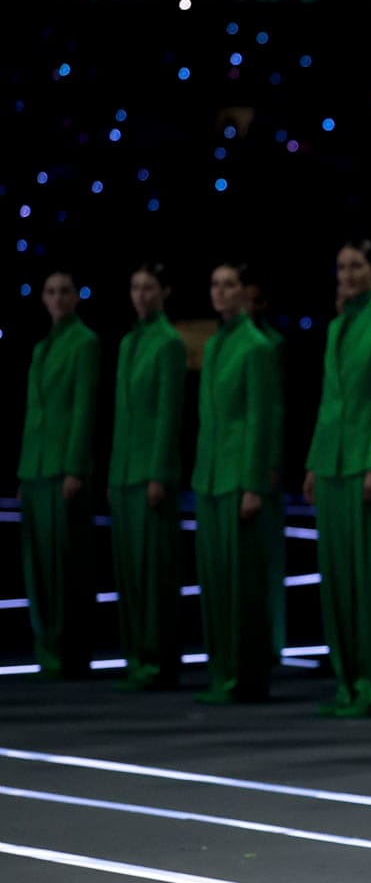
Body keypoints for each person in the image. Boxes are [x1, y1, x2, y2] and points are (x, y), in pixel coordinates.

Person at [303, 239, 371, 717]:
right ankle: (347, 683)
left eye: (356, 265)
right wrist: (313, 461)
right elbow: (329, 398)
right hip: (333, 461)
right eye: (342, 266)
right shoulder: (338, 325)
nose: (347, 274)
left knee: (370, 580)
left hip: (365, 463)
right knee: (339, 579)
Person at [193, 262, 283, 704]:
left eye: (229, 285)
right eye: (215, 284)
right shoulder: (214, 345)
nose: (220, 292)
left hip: (237, 477)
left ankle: (246, 676)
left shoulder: (256, 346)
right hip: (211, 476)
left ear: (245, 292)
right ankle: (222, 671)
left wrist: (252, 483)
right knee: (215, 581)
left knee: (241, 583)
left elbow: (259, 420)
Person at [17, 269, 99, 679]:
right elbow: (34, 411)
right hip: (36, 467)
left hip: (62, 467)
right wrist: (24, 470)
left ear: (76, 297)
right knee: (38, 566)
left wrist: (74, 467)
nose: (58, 298)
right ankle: (47, 648)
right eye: (50, 291)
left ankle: (71, 652)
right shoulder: (41, 347)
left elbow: (84, 407)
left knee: (67, 565)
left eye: (65, 291)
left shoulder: (84, 342)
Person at [109, 263, 186, 690]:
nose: (141, 295)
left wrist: (158, 472)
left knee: (154, 573)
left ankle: (159, 662)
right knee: (130, 574)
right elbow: (122, 415)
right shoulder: (128, 342)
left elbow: (168, 415)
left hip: (150, 472)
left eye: (149, 287)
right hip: (125, 470)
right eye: (135, 287)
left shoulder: (168, 342)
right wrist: (115, 470)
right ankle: (137, 657)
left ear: (164, 292)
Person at [242, 277, 288, 659]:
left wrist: (271, 461)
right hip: (231, 461)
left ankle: (271, 640)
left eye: (255, 300)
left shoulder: (269, 345)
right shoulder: (226, 342)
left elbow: (272, 409)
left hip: (260, 462)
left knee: (267, 557)